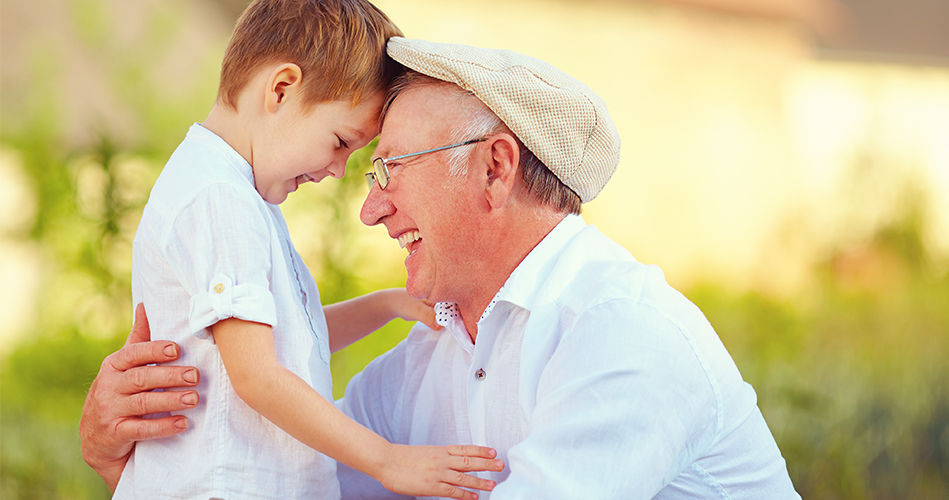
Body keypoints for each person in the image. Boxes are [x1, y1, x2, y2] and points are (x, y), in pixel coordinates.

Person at [82, 37, 802, 499]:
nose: (370, 210)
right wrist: (137, 455)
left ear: (494, 168)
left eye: (389, 168)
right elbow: (293, 483)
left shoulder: (622, 337)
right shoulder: (428, 354)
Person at [107, 2, 503, 499]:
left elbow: (289, 343)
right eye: (340, 141)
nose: (337, 170)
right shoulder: (219, 198)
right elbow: (257, 375)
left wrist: (387, 305)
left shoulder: (236, 190)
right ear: (281, 89)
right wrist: (388, 460)